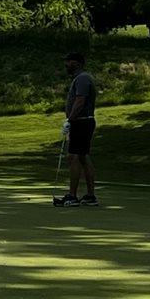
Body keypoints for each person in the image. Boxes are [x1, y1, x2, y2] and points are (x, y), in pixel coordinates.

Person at [55, 49, 98, 207]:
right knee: (82, 157)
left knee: (73, 157)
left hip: (82, 122)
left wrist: (70, 120)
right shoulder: (80, 78)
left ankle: (72, 196)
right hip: (83, 122)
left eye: (67, 62)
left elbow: (80, 101)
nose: (65, 65)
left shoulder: (82, 79)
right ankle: (90, 195)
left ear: (75, 63)